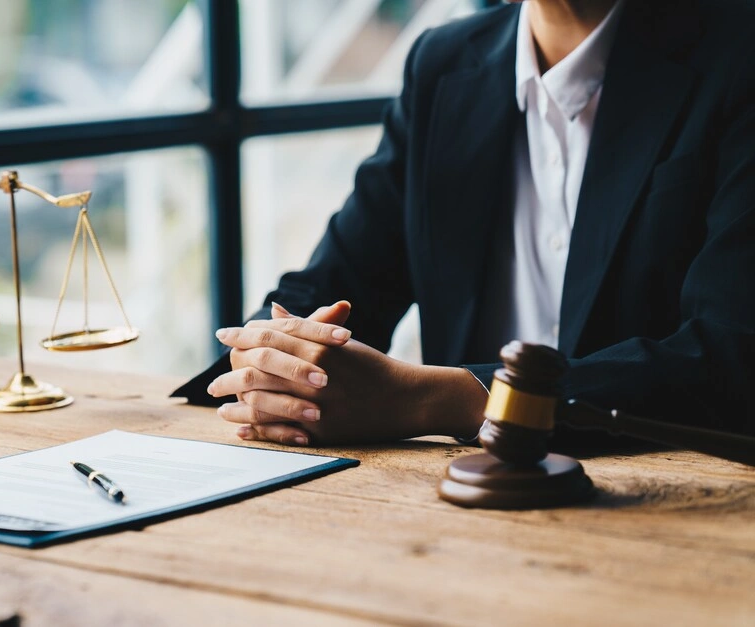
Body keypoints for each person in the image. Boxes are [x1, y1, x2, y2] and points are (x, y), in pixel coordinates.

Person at [173, 0, 755, 447]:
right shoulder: (444, 65)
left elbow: (729, 362)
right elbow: (336, 285)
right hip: (457, 522)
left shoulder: (737, 55)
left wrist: (443, 400)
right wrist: (268, 358)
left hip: (681, 512)